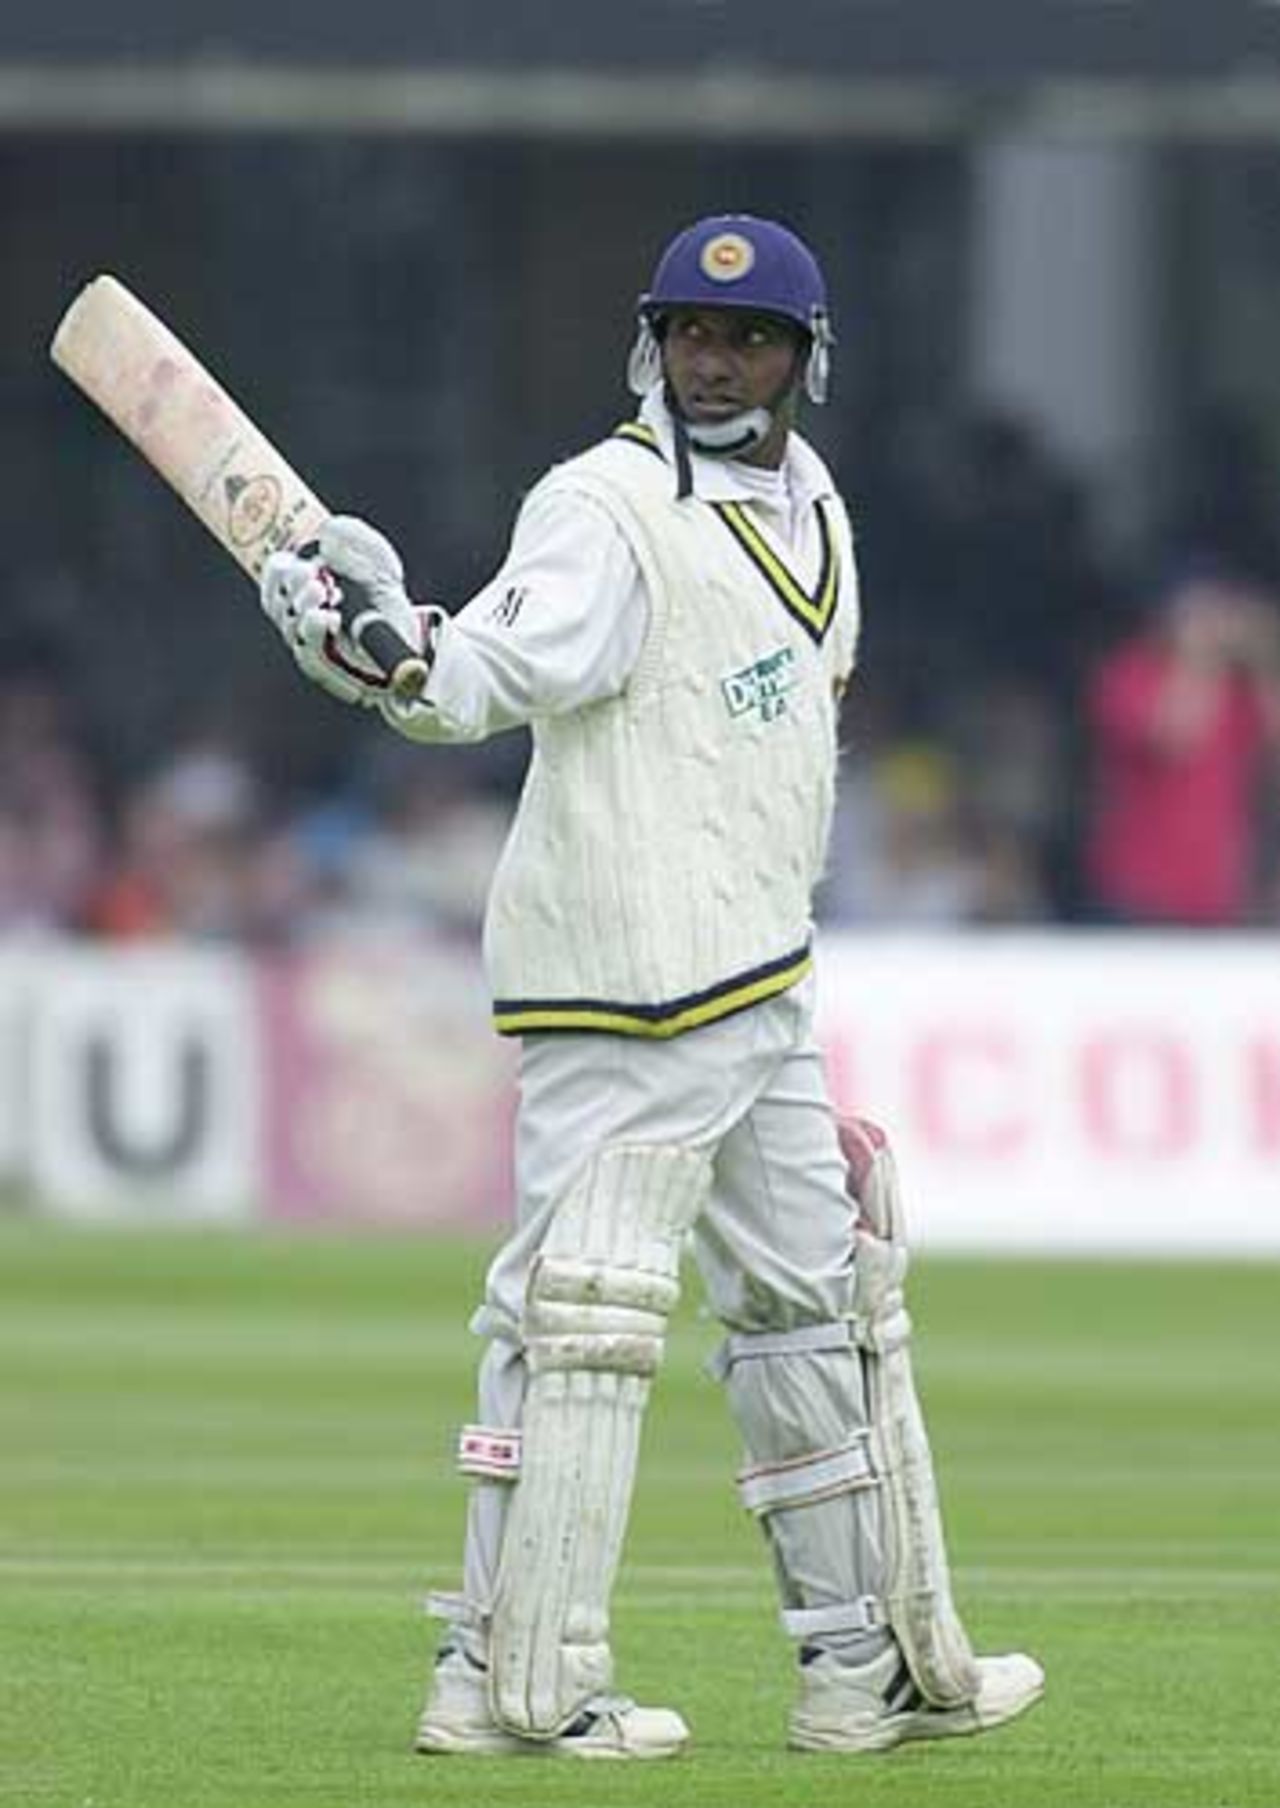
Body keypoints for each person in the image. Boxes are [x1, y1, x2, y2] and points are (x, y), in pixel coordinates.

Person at [258, 214, 1044, 1759]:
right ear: (651, 342)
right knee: (575, 1318)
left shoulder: (813, 499)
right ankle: (498, 1679)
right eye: (689, 331)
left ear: (805, 360)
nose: (714, 358)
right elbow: (490, 672)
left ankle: (855, 1670)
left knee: (818, 1312)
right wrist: (393, 651)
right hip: (624, 986)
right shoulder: (605, 508)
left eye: (746, 338)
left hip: (763, 980)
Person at [1083, 560, 1280, 926]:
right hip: (1141, 890)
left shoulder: (1238, 686)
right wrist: (1200, 656)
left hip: (1215, 892)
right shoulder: (1130, 673)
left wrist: (1265, 655)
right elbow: (1174, 738)